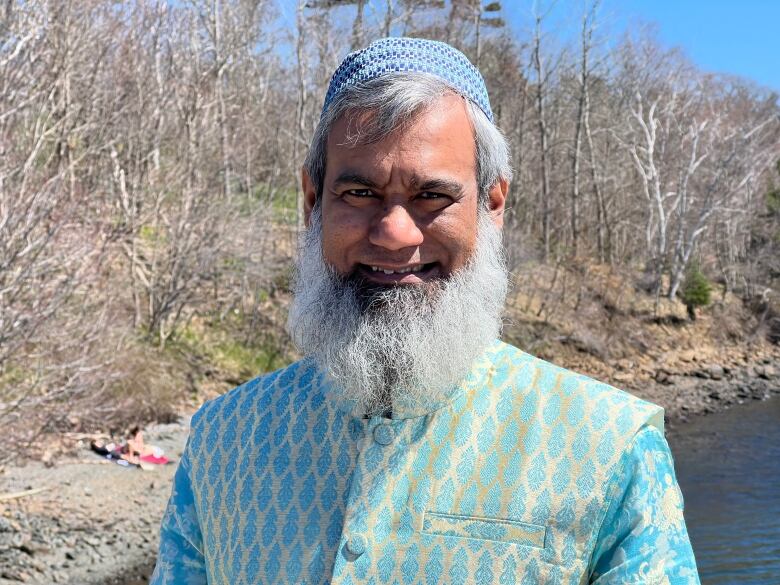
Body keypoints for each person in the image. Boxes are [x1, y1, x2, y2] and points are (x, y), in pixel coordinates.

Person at [151, 37, 700, 584]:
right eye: (360, 193)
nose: (393, 234)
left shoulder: (610, 449)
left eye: (432, 196)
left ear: (492, 205)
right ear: (312, 201)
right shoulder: (222, 441)